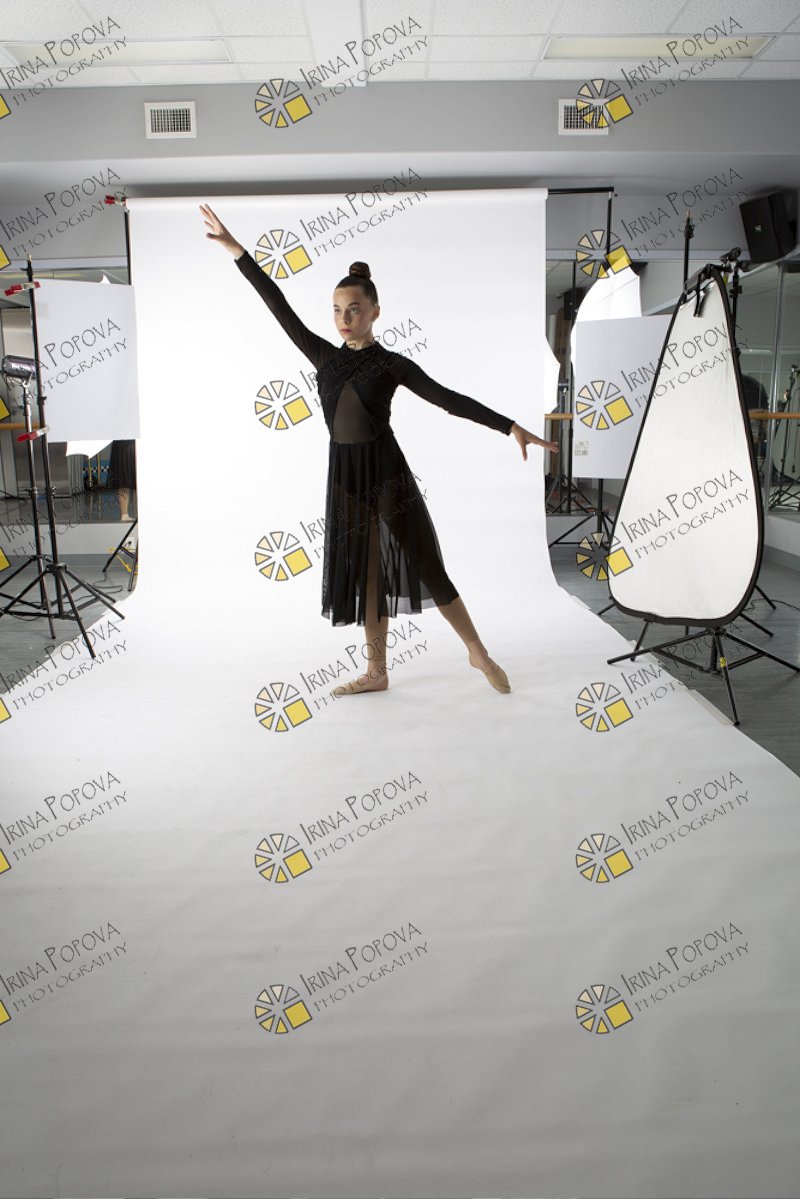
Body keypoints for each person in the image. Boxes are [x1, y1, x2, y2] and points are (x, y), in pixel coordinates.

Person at [200, 203, 557, 696]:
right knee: (367, 575)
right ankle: (377, 672)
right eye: (337, 310)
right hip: (345, 475)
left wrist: (509, 426)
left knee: (426, 564)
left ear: (374, 312)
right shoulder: (323, 356)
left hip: (386, 471)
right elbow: (276, 303)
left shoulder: (392, 364)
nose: (344, 319)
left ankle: (477, 651)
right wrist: (237, 250)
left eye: (354, 309)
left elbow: (448, 400)